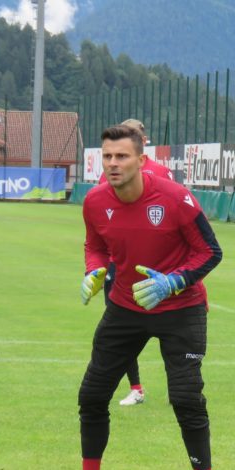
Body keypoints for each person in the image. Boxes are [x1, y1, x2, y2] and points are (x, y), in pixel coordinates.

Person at [49, 124, 222, 470]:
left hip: (181, 309)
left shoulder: (176, 199)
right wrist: (94, 272)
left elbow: (210, 252)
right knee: (91, 396)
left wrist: (173, 282)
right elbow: (95, 244)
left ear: (141, 161)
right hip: (126, 308)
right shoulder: (94, 201)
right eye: (107, 156)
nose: (113, 164)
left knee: (186, 400)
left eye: (121, 156)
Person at [98, 118, 174, 407]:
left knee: (167, 327)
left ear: (142, 143)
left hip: (154, 267)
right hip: (122, 264)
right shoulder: (110, 176)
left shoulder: (161, 173)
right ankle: (137, 388)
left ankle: (171, 386)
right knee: (124, 330)